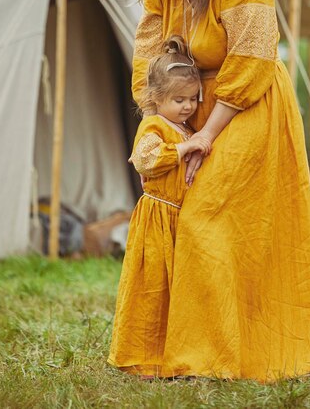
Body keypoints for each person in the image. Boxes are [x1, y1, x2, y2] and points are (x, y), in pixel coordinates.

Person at [124, 0, 310, 383]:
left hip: (247, 105)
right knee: (192, 220)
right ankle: (203, 343)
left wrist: (205, 134)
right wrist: (159, 124)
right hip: (191, 106)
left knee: (210, 219)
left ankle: (215, 353)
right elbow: (149, 51)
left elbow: (250, 62)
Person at [108, 35, 211, 377]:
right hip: (158, 216)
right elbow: (144, 159)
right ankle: (144, 353)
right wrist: (185, 149)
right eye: (178, 99)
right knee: (153, 286)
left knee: (177, 287)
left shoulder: (183, 126)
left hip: (180, 217)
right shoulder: (154, 125)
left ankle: (177, 348)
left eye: (192, 99)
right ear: (155, 98)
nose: (187, 106)